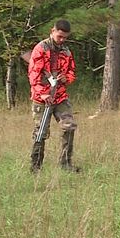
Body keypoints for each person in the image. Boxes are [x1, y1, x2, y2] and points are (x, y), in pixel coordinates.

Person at [23, 19, 80, 173]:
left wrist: (66, 78)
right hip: (42, 99)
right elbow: (33, 74)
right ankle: (36, 167)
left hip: (60, 96)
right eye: (59, 36)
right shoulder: (40, 49)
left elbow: (72, 72)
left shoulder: (66, 52)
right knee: (41, 131)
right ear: (52, 31)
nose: (62, 40)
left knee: (69, 127)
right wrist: (43, 94)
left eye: (65, 37)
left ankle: (65, 164)